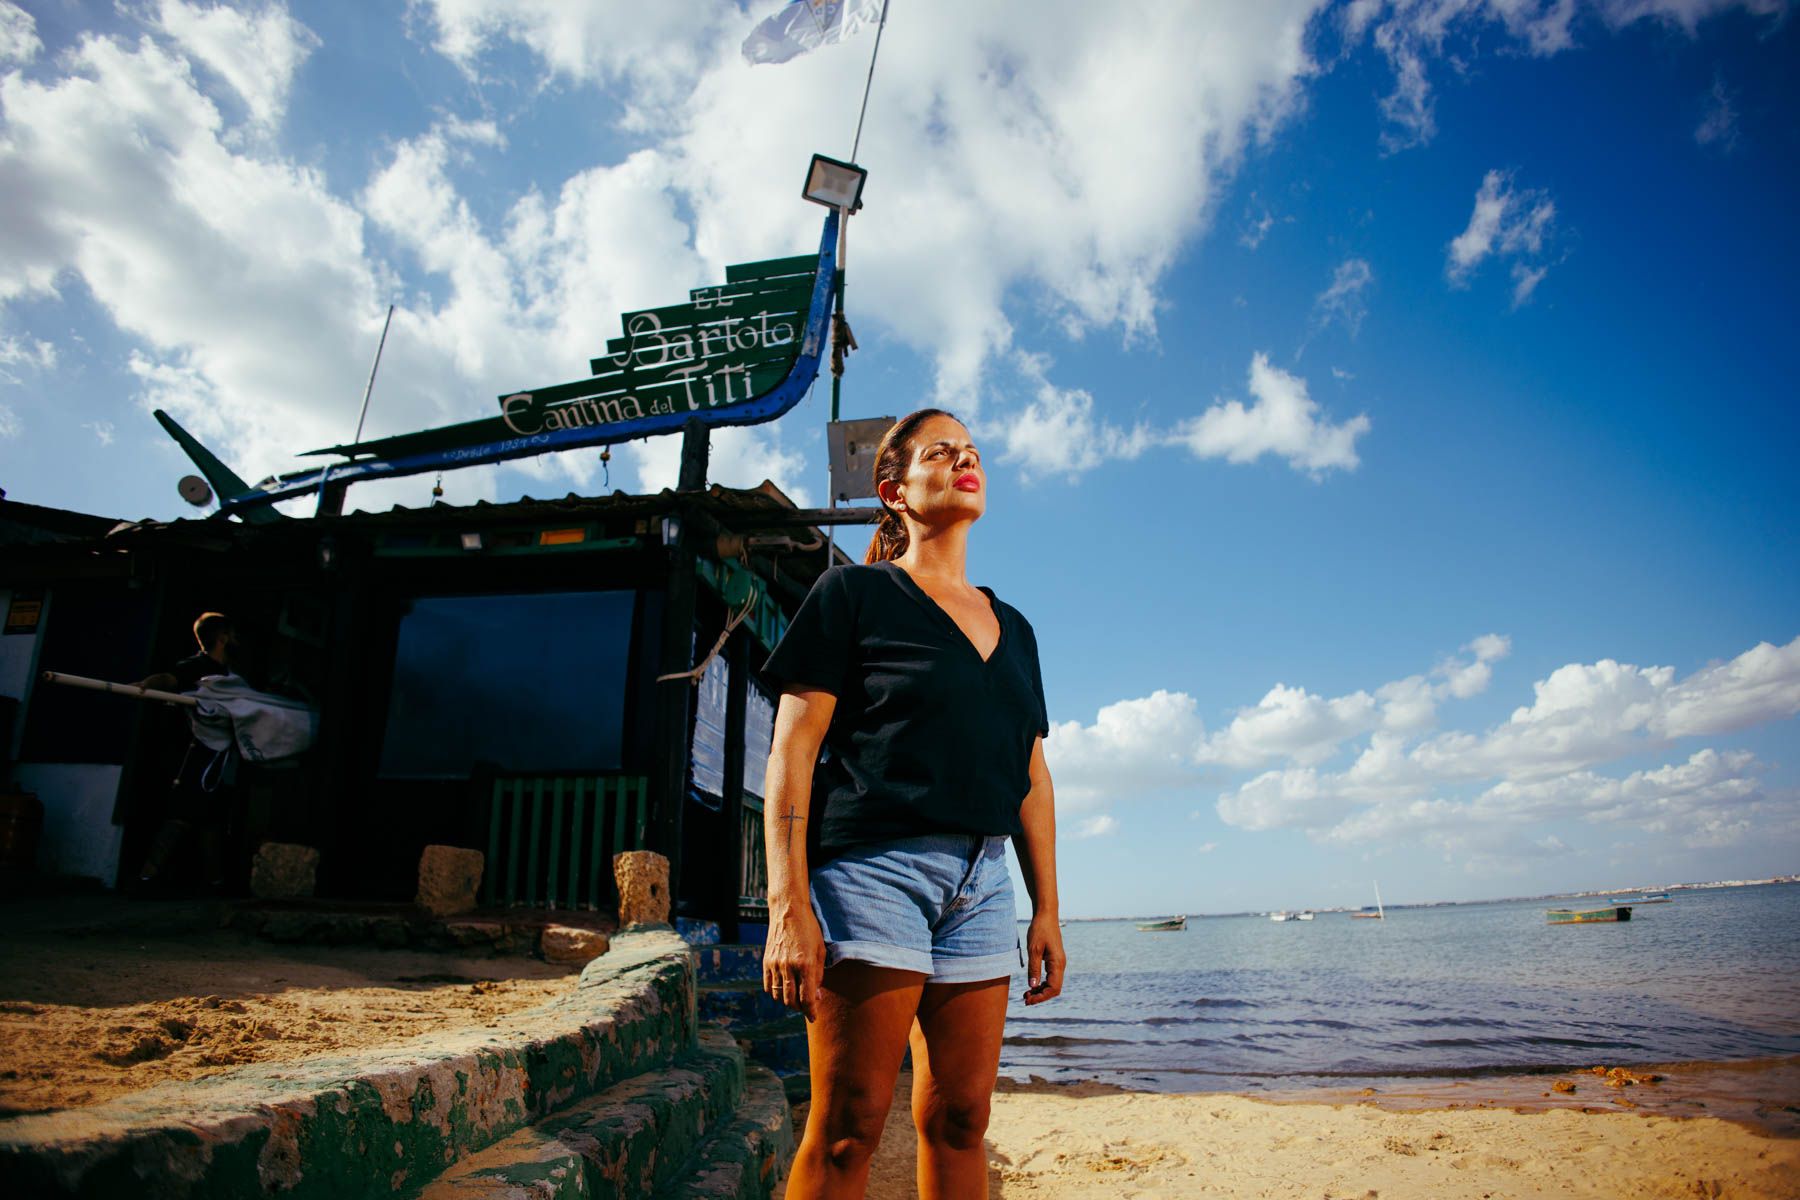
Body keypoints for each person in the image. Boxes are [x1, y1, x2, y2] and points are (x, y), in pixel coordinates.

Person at [760, 409, 1066, 1199]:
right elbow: (792, 750)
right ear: (894, 491)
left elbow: (1031, 776)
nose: (965, 460)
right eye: (942, 452)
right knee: (848, 1128)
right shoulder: (852, 594)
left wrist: (1048, 910)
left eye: (972, 452)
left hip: (984, 885)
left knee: (962, 1119)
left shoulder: (1017, 628)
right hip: (869, 874)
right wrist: (787, 902)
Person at [131, 611, 241, 894]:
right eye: (233, 633)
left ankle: (215, 883)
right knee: (181, 816)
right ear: (222, 637)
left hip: (222, 759)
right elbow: (169, 679)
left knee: (212, 820)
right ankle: (146, 879)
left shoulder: (233, 676)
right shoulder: (196, 668)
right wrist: (146, 684)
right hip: (196, 755)